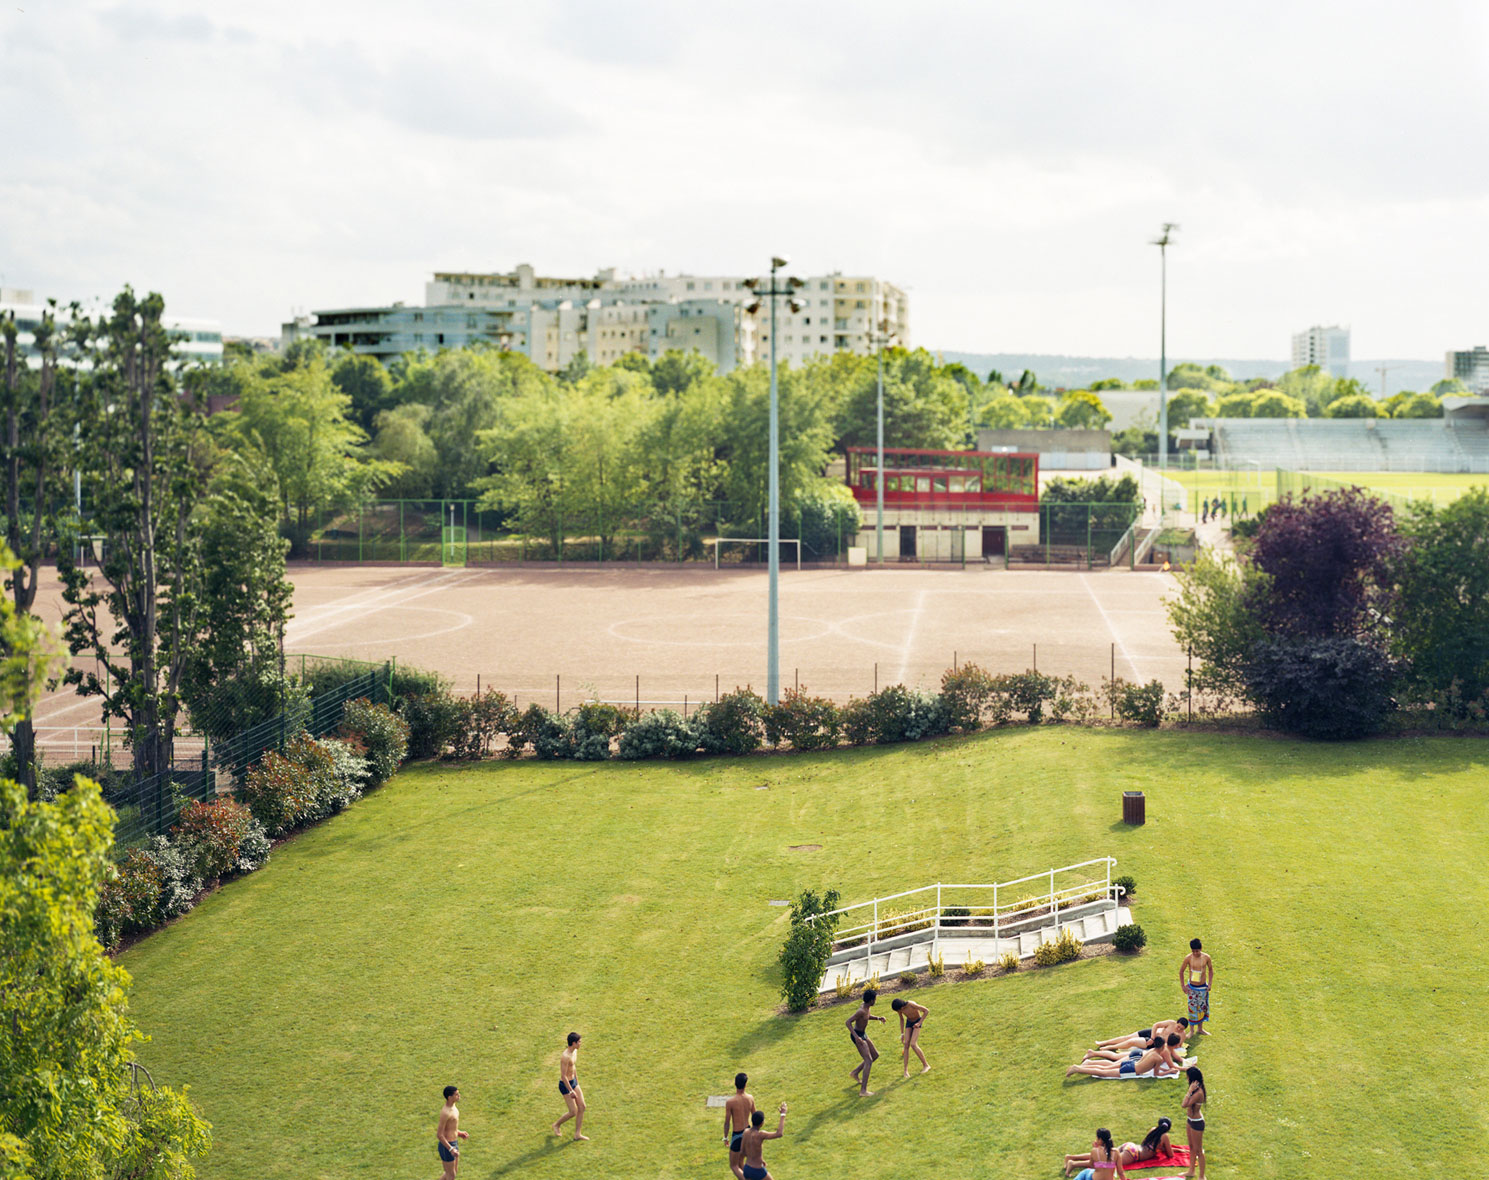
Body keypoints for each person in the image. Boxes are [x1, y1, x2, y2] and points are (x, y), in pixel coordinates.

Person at [1065, 1036, 1186, 1079]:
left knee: (1107, 1068)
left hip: (1131, 1064)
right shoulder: (1158, 1058)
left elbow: (1154, 1068)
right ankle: (1077, 1069)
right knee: (1104, 1073)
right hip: (1130, 1070)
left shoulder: (1152, 1052)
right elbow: (1156, 1074)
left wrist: (1167, 1070)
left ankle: (1084, 1065)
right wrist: (1169, 1071)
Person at [846, 988, 886, 1096]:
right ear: (871, 1000)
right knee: (868, 1061)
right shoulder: (861, 1010)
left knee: (875, 1055)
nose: (875, 1001)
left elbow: (866, 1018)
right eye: (875, 999)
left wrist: (878, 1018)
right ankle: (863, 1091)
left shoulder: (867, 1007)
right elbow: (848, 1022)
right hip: (857, 1035)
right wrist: (857, 1038)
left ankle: (855, 1073)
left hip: (863, 1034)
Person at [552, 1032, 588, 1141]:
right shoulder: (565, 1057)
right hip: (565, 1085)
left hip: (574, 1082)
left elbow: (573, 1067)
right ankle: (556, 1125)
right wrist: (571, 1091)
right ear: (574, 1043)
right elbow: (563, 1076)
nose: (581, 1044)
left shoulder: (575, 1051)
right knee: (573, 1111)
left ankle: (577, 1134)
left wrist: (577, 1081)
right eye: (579, 1042)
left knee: (582, 1107)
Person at [740, 1103, 786, 1180]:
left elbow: (742, 1152)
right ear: (762, 1123)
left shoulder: (745, 1132)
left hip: (747, 1168)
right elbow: (779, 1133)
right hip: (757, 1170)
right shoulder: (760, 1134)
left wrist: (759, 1160)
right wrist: (783, 1114)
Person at [723, 1073, 756, 1179]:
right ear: (745, 1085)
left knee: (734, 1165)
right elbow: (755, 1117)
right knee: (741, 1162)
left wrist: (725, 1137)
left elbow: (727, 1122)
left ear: (735, 1084)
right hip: (748, 1132)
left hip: (737, 1135)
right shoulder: (750, 1098)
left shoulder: (730, 1102)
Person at [1180, 939, 1214, 1036]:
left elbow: (1211, 970)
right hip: (1192, 987)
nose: (1195, 953)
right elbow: (1181, 971)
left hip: (1202, 987)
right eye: (1193, 951)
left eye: (1197, 951)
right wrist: (1183, 986)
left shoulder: (1206, 957)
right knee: (1192, 1008)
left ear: (1201, 948)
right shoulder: (1188, 958)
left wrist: (1210, 984)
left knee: (1202, 1008)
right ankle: (1191, 1030)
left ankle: (1200, 1028)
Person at [890, 997, 930, 1078]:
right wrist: (902, 1034)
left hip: (917, 1021)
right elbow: (901, 1020)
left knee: (913, 1044)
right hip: (909, 1023)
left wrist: (919, 1023)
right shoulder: (900, 1009)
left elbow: (926, 1011)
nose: (899, 1012)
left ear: (901, 1007)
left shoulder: (911, 1004)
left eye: (898, 1010)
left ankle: (926, 1065)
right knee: (906, 1045)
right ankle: (905, 1071)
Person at [1095, 1018, 1189, 1051]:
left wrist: (1157, 1042)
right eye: (1178, 1026)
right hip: (1152, 1034)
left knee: (1131, 1042)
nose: (1179, 1029)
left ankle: (1109, 1048)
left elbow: (1177, 1046)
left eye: (1181, 1029)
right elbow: (1156, 1025)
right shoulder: (1170, 1023)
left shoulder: (1182, 1035)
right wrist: (1152, 1037)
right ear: (1177, 1023)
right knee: (1127, 1037)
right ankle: (1104, 1042)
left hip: (1156, 1042)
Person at [436, 1085, 468, 1179]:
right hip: (447, 1146)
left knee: (453, 1172)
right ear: (450, 1097)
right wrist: (451, 1149)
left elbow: (450, 1128)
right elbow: (439, 1134)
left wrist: (460, 1133)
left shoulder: (454, 1107)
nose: (459, 1096)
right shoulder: (445, 1113)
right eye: (456, 1094)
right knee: (451, 1175)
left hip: (454, 1143)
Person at [1181, 1066, 1206, 1179]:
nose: (1187, 1079)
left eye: (1188, 1077)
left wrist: (1189, 1091)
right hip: (1190, 1121)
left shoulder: (1198, 1092)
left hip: (1197, 1122)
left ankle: (1202, 1176)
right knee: (1191, 1147)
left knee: (1198, 1150)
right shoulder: (1195, 1089)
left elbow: (1184, 1104)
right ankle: (1191, 1171)